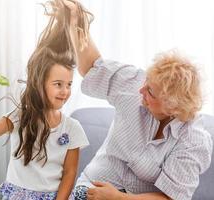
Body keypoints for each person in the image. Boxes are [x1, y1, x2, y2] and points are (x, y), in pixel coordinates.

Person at [62, 1, 213, 200]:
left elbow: (171, 197)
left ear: (173, 107)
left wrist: (118, 198)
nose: (141, 90)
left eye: (151, 92)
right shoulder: (133, 83)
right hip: (90, 188)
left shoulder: (193, 141)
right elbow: (91, 67)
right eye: (146, 82)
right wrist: (76, 20)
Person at [0, 1, 90, 199]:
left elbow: (70, 173)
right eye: (58, 84)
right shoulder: (19, 117)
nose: (65, 91)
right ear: (39, 83)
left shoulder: (72, 128)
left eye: (69, 84)